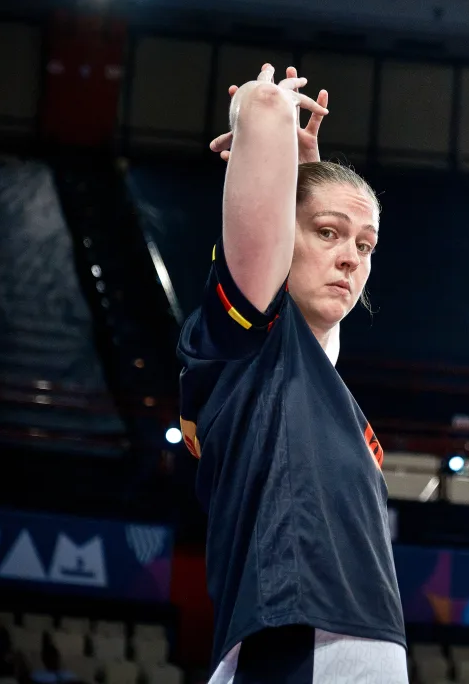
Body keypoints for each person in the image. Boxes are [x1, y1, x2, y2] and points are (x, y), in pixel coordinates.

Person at [178, 63, 405, 682]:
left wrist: (301, 176)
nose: (350, 258)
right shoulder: (249, 334)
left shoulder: (314, 371)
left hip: (365, 642)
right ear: (282, 236)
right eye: (329, 233)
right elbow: (261, 114)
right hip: (297, 637)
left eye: (365, 245)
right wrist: (264, 114)